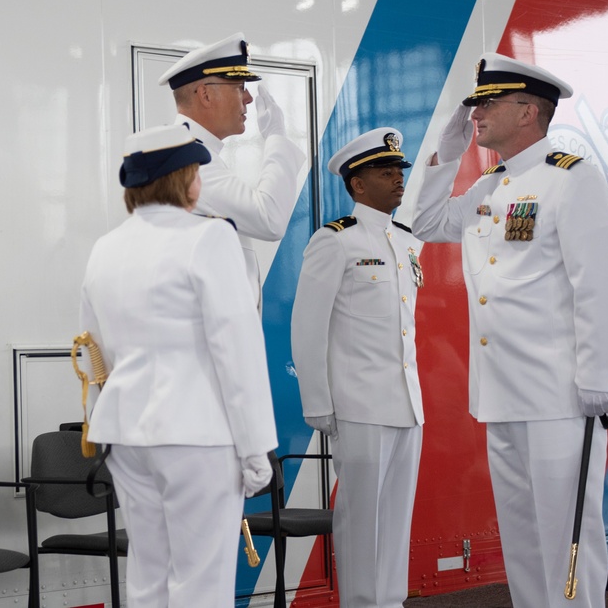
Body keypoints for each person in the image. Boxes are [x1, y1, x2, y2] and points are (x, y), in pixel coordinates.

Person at [412, 54, 608, 608]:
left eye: (489, 102)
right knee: (525, 547)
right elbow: (426, 222)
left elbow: (600, 284)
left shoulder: (570, 179)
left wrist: (598, 379)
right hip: (502, 394)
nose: (477, 112)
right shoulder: (491, 185)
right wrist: (449, 152)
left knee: (569, 544)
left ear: (528, 111)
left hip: (560, 394)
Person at [79, 122, 278, 607]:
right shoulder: (209, 238)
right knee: (201, 585)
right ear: (185, 180)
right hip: (197, 436)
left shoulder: (105, 247)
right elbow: (237, 350)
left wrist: (101, 422)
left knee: (148, 579)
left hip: (125, 433)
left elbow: (91, 351)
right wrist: (257, 452)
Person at [291, 128, 425, 608]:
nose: (396, 178)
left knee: (395, 520)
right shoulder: (334, 241)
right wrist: (317, 402)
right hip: (359, 403)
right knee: (360, 518)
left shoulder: (407, 241)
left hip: (406, 403)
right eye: (384, 171)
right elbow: (308, 326)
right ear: (357, 184)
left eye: (399, 171)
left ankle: (391, 602)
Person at [158, 32, 305, 308]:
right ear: (205, 95)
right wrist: (276, 138)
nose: (248, 98)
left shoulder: (195, 152)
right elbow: (269, 219)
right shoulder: (186, 160)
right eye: (239, 86)